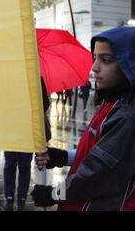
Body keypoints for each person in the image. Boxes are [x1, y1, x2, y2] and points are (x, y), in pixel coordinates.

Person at [31, 26, 135, 211]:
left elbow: (95, 176)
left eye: (106, 60)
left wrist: (53, 194)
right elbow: (95, 153)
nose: (94, 67)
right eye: (95, 58)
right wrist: (63, 156)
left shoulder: (127, 116)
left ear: (129, 63)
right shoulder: (111, 102)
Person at [3, 77, 51, 211]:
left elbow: (44, 103)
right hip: (13, 128)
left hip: (25, 128)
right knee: (12, 165)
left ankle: (19, 197)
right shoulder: (10, 76)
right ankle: (11, 197)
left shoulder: (36, 77)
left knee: (20, 165)